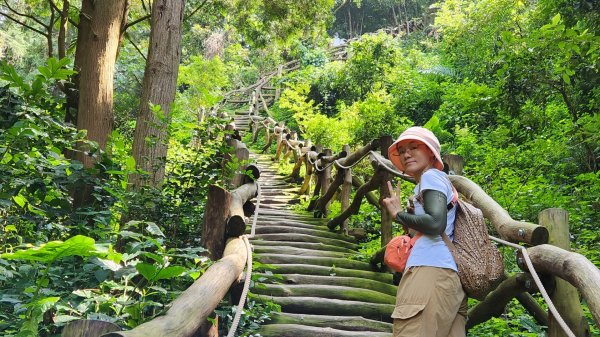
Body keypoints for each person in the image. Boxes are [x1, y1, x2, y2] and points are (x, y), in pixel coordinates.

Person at [382, 126, 466, 337]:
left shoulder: (431, 177)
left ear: (430, 151)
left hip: (430, 271)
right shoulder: (433, 181)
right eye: (401, 151)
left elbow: (435, 223)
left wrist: (398, 214)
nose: (406, 154)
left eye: (414, 147)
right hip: (446, 276)